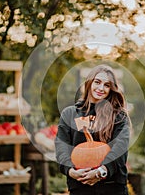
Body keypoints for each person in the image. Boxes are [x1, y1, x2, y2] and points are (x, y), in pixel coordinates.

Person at [55, 64, 131, 195]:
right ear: (89, 82)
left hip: (112, 187)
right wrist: (70, 171)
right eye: (97, 82)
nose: (101, 88)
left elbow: (120, 147)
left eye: (107, 85)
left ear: (111, 89)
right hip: (80, 186)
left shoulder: (118, 116)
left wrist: (101, 172)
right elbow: (62, 147)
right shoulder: (70, 114)